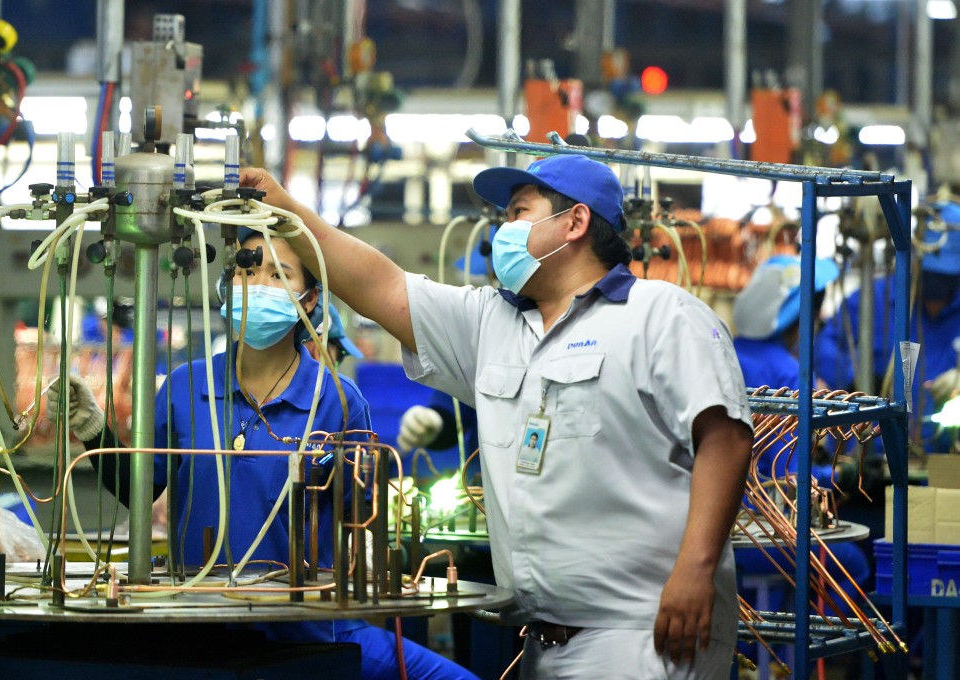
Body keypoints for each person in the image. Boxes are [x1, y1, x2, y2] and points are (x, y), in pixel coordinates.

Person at [240, 153, 755, 678]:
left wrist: (696, 569)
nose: (502, 230)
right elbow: (385, 287)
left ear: (574, 222)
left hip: (644, 633)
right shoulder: (493, 323)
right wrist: (289, 214)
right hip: (542, 639)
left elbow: (725, 438)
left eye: (517, 212)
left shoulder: (660, 315)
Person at [48, 226, 476, 680]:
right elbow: (139, 492)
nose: (258, 284)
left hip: (308, 631)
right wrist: (94, 431)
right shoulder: (186, 386)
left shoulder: (336, 400)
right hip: (200, 627)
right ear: (225, 285)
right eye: (247, 269)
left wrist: (367, 553)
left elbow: (361, 516)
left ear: (309, 300)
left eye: (279, 274)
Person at [731, 254, 870, 619]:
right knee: (852, 563)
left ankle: (756, 658)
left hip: (713, 524)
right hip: (758, 529)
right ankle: (786, 660)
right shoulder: (790, 372)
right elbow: (784, 477)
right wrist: (841, 475)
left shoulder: (727, 349)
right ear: (800, 317)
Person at [815, 203, 960, 454]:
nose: (937, 284)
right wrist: (855, 377)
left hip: (945, 453)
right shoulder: (875, 300)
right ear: (914, 257)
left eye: (947, 276)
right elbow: (824, 345)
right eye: (932, 274)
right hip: (871, 452)